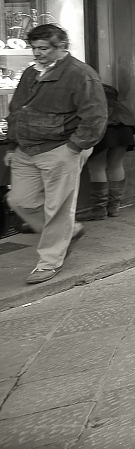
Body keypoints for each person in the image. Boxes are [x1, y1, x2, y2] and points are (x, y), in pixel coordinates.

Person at [5, 25, 106, 284]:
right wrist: (14, 145)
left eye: (43, 48)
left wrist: (73, 148)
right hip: (27, 149)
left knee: (57, 208)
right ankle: (68, 232)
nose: (37, 53)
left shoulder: (80, 74)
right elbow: (17, 109)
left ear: (61, 47)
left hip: (59, 148)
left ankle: (49, 261)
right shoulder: (30, 72)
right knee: (20, 200)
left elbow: (95, 116)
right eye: (34, 48)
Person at [77, 84, 135, 220]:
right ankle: (114, 208)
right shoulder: (113, 97)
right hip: (124, 126)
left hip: (103, 126)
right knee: (116, 165)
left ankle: (99, 210)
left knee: (97, 167)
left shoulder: (88, 94)